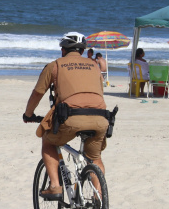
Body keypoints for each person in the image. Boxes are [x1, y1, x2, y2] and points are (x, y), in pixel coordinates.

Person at [23, 32, 108, 199]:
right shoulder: (95, 66)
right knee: (95, 158)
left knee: (48, 141)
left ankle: (55, 185)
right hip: (100, 118)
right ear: (82, 51)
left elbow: (37, 93)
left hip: (71, 118)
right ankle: (98, 197)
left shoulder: (55, 65)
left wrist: (28, 114)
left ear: (63, 50)